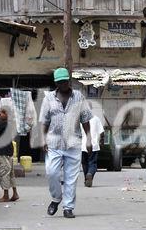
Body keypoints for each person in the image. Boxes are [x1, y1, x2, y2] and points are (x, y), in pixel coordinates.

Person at [39, 67, 93, 218]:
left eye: (64, 81)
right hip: (54, 143)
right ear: (56, 83)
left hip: (73, 143)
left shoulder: (79, 97)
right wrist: (42, 138)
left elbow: (85, 119)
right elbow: (44, 121)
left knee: (71, 177)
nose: (62, 84)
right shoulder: (49, 98)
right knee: (52, 172)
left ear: (68, 81)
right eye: (59, 82)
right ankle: (56, 198)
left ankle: (68, 207)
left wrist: (89, 139)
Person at [81, 106, 104, 187]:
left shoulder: (80, 120)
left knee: (84, 163)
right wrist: (102, 142)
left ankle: (86, 179)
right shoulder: (96, 118)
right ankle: (90, 174)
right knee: (92, 163)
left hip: (83, 146)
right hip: (94, 145)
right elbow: (101, 132)